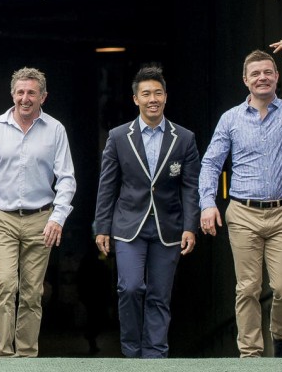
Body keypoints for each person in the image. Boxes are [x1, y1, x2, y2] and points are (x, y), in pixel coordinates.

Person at [198, 50, 282, 358]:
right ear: (245, 80)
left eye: (268, 72)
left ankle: (280, 336)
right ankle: (251, 355)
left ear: (277, 77)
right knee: (247, 288)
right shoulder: (230, 119)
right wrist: (207, 203)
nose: (262, 78)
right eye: (256, 74)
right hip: (243, 213)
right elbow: (211, 163)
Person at [93, 64, 198, 359]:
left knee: (159, 295)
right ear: (136, 99)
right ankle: (131, 353)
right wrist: (102, 227)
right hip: (129, 225)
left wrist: (190, 226)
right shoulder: (118, 137)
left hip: (169, 226)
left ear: (165, 96)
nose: (153, 99)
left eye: (158, 93)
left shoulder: (184, 138)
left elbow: (191, 187)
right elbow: (107, 185)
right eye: (146, 94)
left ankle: (155, 357)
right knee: (129, 287)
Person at [0, 67, 76, 358]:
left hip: (41, 218)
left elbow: (67, 178)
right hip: (1, 217)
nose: (25, 98)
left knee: (32, 291)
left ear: (43, 96)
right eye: (20, 92)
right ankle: (4, 356)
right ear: (12, 94)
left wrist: (57, 218)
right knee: (5, 283)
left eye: (31, 93)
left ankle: (27, 356)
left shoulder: (55, 129)